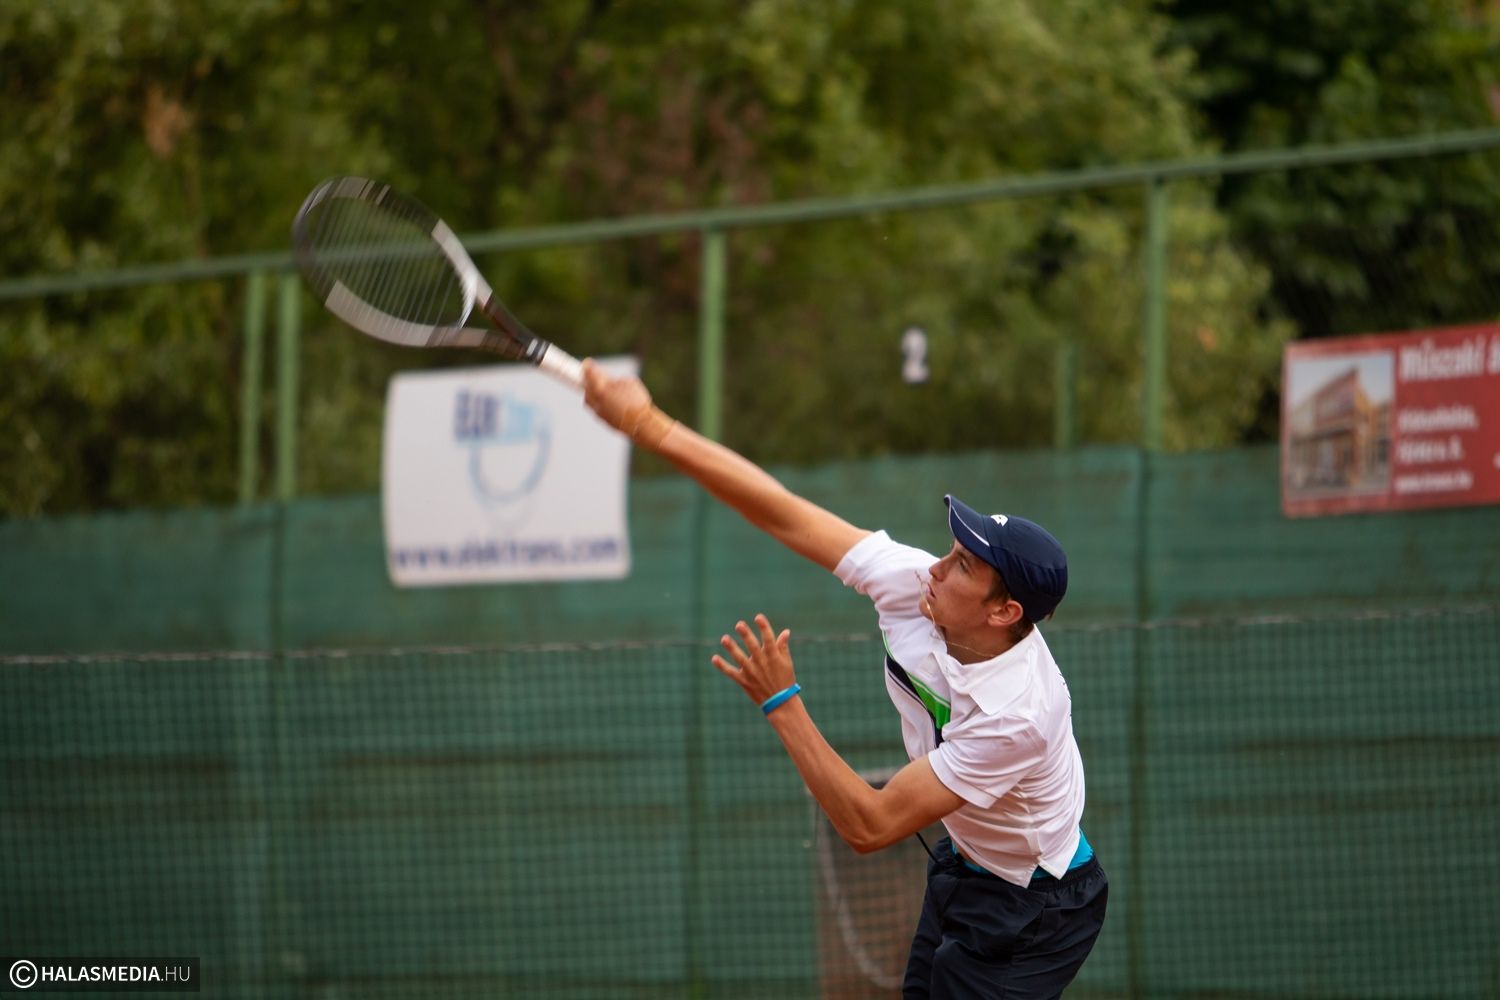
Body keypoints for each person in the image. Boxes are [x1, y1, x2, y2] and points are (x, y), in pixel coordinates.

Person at [580, 360, 1108, 999]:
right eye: (951, 551)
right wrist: (648, 425)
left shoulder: (1019, 714)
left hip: (1037, 909)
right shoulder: (919, 588)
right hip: (967, 868)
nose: (935, 569)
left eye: (964, 567)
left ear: (1003, 613)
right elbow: (786, 514)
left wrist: (781, 701)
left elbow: (870, 825)